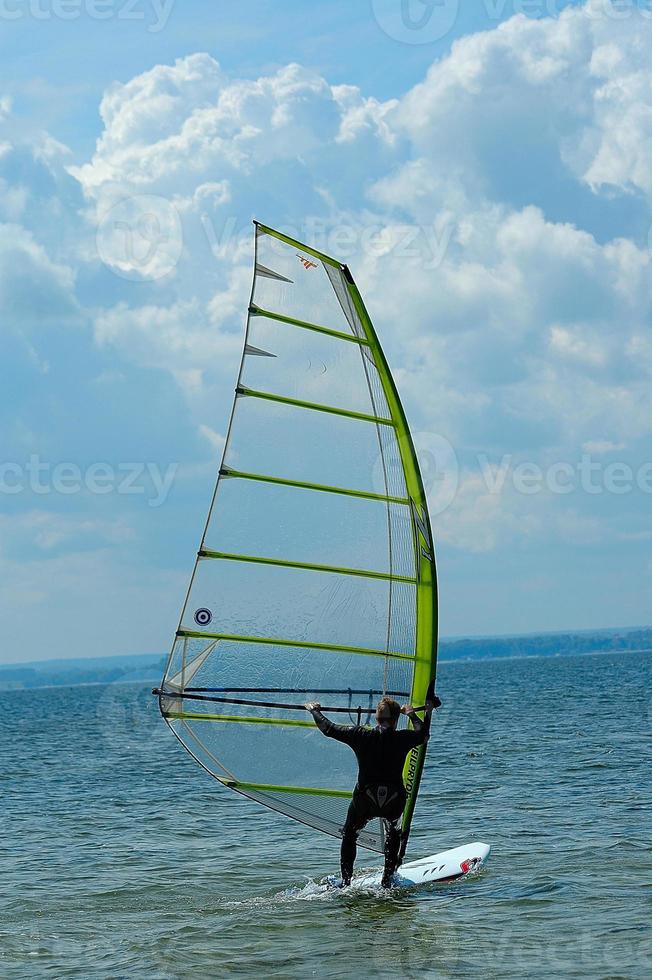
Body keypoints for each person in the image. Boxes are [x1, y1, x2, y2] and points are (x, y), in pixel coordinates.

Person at [306, 694, 440, 888]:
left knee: (350, 835)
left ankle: (346, 882)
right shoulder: (402, 738)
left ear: (376, 719)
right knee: (393, 833)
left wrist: (314, 710)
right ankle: (388, 880)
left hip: (365, 800)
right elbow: (423, 735)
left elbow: (328, 729)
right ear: (396, 720)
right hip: (393, 800)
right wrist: (412, 714)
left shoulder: (360, 735)